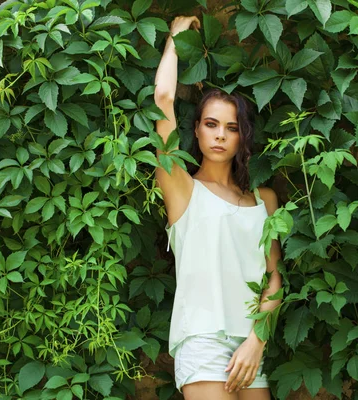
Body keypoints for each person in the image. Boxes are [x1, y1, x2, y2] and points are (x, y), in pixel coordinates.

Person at [154, 15, 283, 400]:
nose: (220, 135)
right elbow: (163, 98)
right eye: (211, 124)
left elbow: (274, 278)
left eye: (231, 127)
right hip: (202, 341)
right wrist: (175, 39)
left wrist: (257, 341)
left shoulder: (265, 200)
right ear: (196, 130)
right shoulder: (181, 186)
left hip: (251, 344)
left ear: (242, 135)